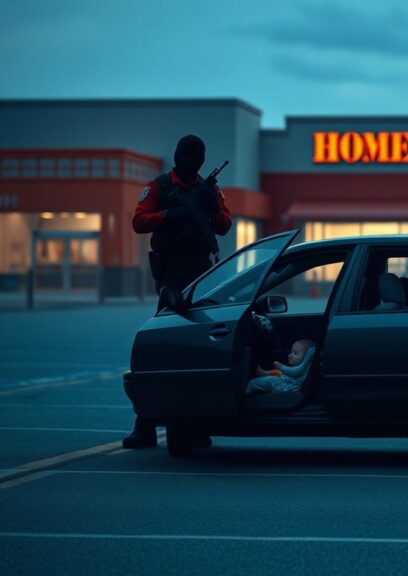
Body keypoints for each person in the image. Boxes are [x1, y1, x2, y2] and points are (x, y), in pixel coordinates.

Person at [123, 134, 232, 449]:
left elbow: (224, 225)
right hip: (170, 276)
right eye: (186, 157)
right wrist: (171, 215)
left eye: (195, 158)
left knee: (199, 350)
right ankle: (144, 425)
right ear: (176, 156)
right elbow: (139, 221)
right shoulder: (158, 187)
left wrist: (210, 208)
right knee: (160, 349)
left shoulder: (209, 189)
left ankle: (194, 425)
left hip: (200, 277)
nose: (190, 163)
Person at [247, 340, 316, 394]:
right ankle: (265, 373)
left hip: (288, 388)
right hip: (289, 381)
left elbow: (294, 372)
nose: (289, 355)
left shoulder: (300, 370)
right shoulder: (300, 368)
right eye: (291, 352)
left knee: (271, 380)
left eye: (295, 353)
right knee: (278, 373)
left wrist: (281, 366)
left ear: (306, 358)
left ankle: (250, 387)